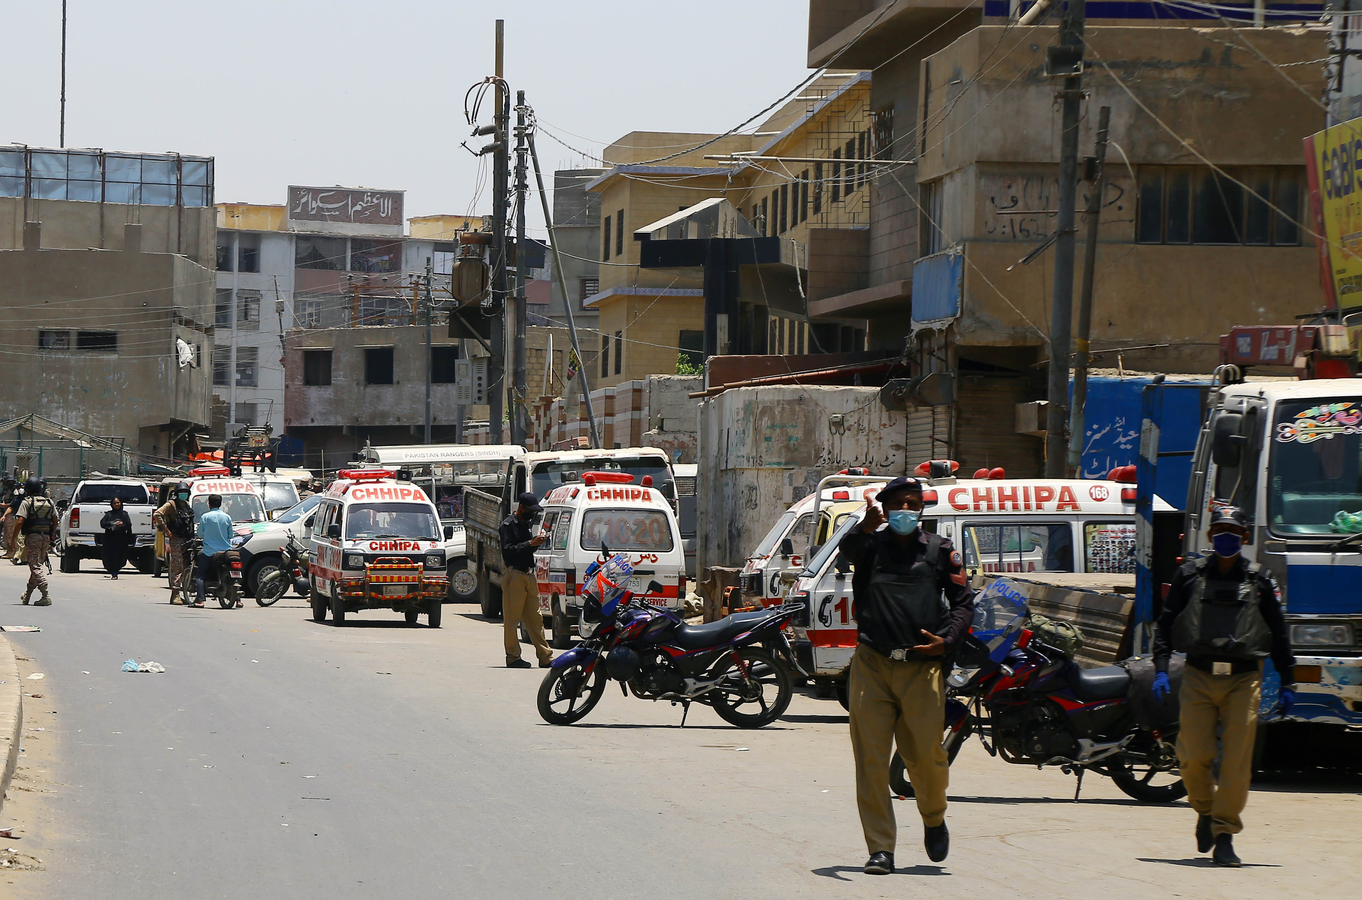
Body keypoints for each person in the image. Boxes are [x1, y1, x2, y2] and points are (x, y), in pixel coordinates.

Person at [836, 475, 975, 874]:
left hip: (922, 668)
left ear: (921, 510)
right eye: (897, 504)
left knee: (926, 759)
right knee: (871, 761)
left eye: (912, 504)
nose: (905, 511)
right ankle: (881, 848)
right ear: (885, 508)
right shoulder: (870, 546)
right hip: (873, 664)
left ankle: (933, 817)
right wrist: (865, 525)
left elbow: (964, 602)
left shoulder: (939, 551)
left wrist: (946, 642)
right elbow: (847, 551)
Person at [1153, 505, 1294, 868]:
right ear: (1210, 536)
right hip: (1199, 675)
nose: (1225, 537)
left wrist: (1288, 681)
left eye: (1233, 531)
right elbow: (1166, 624)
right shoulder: (1188, 575)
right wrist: (1161, 669)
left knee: (1236, 762)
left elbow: (1278, 633)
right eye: (1219, 531)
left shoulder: (1260, 581)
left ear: (1245, 537)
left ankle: (1225, 834)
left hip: (1244, 679)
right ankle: (1204, 810)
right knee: (1192, 754)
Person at [498, 491, 552, 669]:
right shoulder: (508, 525)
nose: (532, 514)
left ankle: (545, 656)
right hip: (514, 575)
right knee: (512, 620)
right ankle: (513, 657)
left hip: (529, 575)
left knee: (535, 618)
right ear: (521, 507)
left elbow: (527, 549)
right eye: (530, 510)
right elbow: (508, 551)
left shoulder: (526, 524)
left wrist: (536, 543)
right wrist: (530, 543)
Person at [15, 476, 58, 606]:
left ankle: (45, 594)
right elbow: (55, 521)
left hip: (33, 536)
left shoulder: (27, 502)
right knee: (37, 565)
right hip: (45, 537)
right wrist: (51, 535)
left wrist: (12, 539)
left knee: (34, 566)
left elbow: (20, 521)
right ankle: (27, 595)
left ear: (27, 489)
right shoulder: (49, 502)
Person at [154, 482, 195, 604]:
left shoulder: (185, 505)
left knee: (187, 564)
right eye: (181, 493)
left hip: (187, 538)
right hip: (176, 539)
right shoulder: (172, 504)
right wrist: (167, 531)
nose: (183, 495)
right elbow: (157, 514)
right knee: (177, 564)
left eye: (185, 493)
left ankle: (185, 592)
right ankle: (175, 594)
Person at [195, 493, 237, 609]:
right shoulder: (227, 517)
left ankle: (200, 600)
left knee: (200, 576)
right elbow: (230, 535)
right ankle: (238, 600)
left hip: (209, 552)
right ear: (221, 503)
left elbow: (200, 534)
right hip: (225, 551)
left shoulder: (205, 517)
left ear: (209, 504)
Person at [100, 496, 133, 579]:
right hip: (109, 540)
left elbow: (128, 525)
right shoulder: (109, 514)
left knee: (119, 557)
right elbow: (102, 524)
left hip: (121, 539)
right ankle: (112, 571)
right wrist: (111, 523)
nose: (117, 504)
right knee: (109, 557)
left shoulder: (124, 514)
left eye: (118, 502)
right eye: (115, 503)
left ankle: (115, 573)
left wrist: (122, 525)